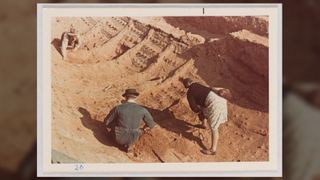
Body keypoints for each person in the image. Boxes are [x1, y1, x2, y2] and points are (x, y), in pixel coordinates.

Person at [181, 78, 230, 155]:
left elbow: (194, 108)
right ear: (191, 81)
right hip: (220, 98)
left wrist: (198, 110)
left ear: (185, 87)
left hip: (214, 104)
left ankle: (213, 150)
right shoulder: (198, 83)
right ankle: (203, 124)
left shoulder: (189, 93)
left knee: (214, 127)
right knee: (203, 109)